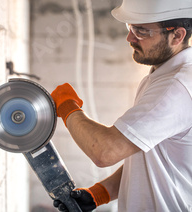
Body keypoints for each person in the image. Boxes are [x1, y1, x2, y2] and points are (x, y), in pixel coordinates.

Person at [51, 0, 192, 211]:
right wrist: (99, 193)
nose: (130, 38)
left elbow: (104, 151)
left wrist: (67, 107)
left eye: (141, 31)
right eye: (130, 27)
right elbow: (147, 157)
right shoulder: (160, 75)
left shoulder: (176, 86)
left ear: (177, 36)